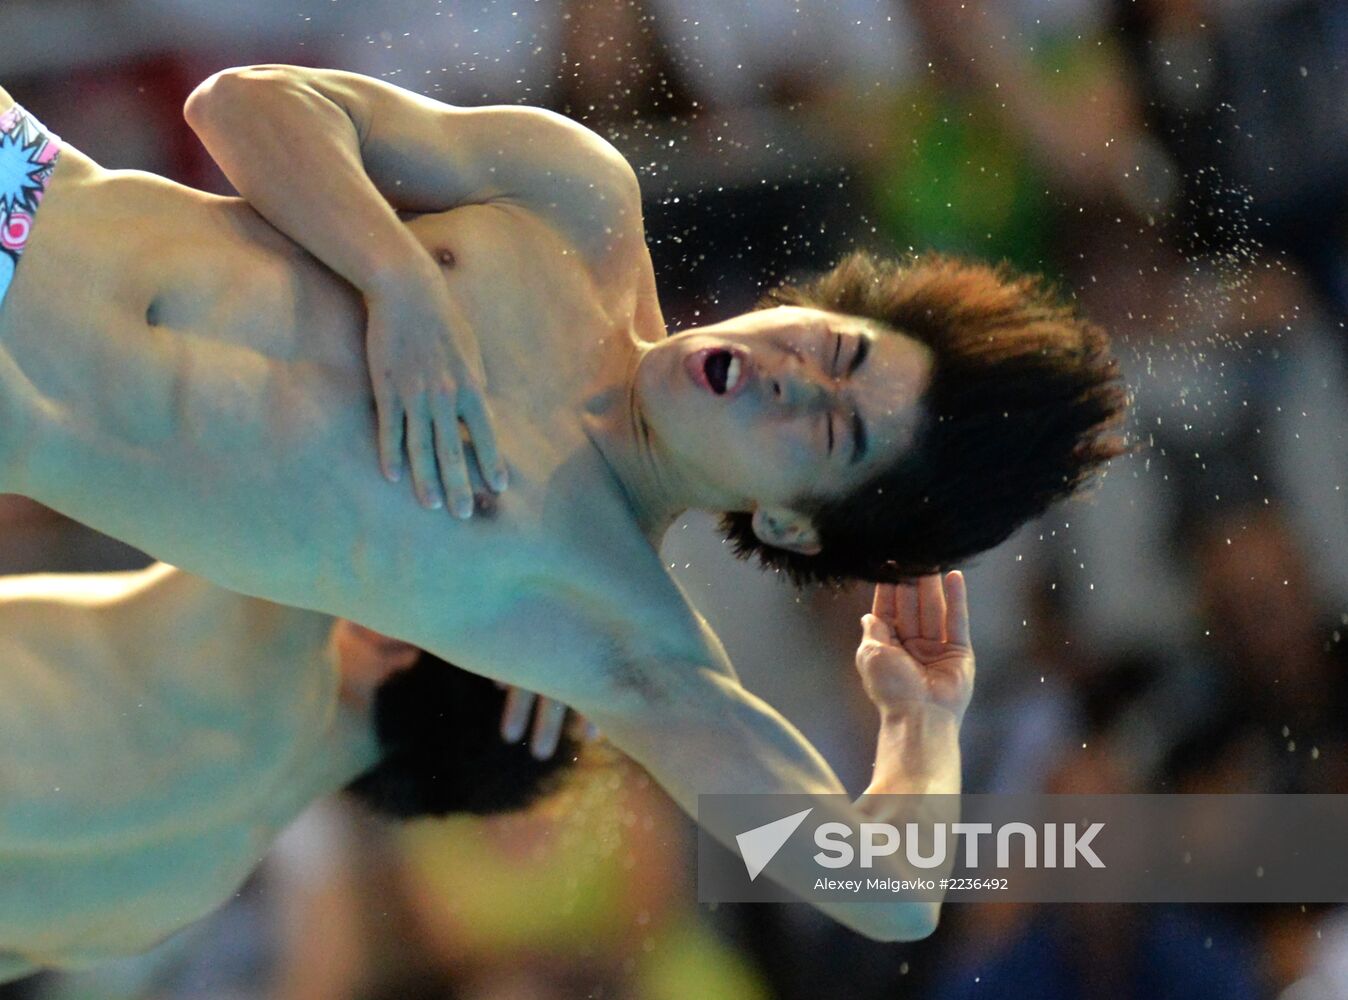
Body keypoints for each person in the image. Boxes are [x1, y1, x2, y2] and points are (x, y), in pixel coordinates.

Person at [0, 65, 1124, 951]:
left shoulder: (606, 630)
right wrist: (396, 282)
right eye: (834, 347)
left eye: (827, 430)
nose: (790, 372)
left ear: (790, 524)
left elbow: (888, 895)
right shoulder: (577, 197)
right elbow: (244, 105)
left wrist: (922, 717)